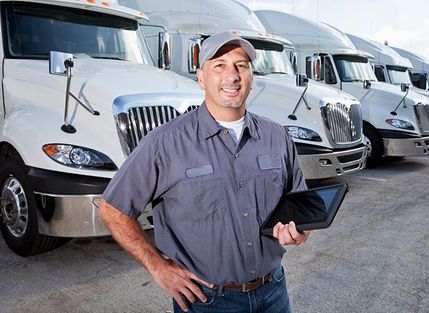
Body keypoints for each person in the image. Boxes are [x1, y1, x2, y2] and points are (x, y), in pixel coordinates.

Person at [98, 30, 311, 313]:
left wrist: (300, 230)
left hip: (273, 292)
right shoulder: (165, 143)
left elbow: (298, 205)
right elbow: (113, 209)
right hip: (207, 302)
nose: (232, 76)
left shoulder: (277, 136)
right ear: (201, 78)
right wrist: (158, 268)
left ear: (251, 78)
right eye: (219, 65)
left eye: (241, 66)